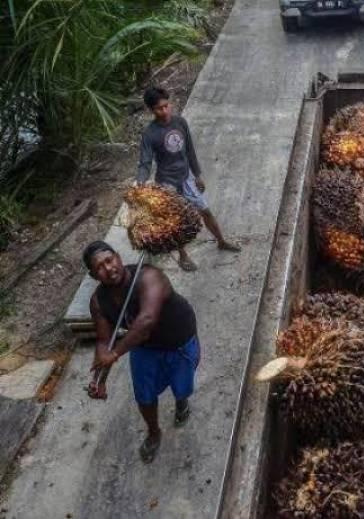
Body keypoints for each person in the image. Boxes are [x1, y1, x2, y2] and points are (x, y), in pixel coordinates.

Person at [85, 240, 200, 463]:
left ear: (118, 256)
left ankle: (181, 402)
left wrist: (115, 353)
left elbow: (146, 321)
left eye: (109, 260)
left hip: (177, 338)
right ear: (93, 275)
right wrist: (100, 378)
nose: (108, 268)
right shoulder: (98, 301)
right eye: (100, 267)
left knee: (182, 385)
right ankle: (154, 432)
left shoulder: (149, 277)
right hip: (144, 347)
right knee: (144, 394)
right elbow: (103, 340)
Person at [136, 86, 240, 271]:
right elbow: (145, 162)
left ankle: (221, 241)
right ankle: (183, 255)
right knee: (176, 221)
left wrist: (197, 175)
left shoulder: (180, 123)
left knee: (205, 210)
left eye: (167, 105)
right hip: (167, 182)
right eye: (160, 108)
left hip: (187, 177)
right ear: (152, 110)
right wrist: (141, 182)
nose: (165, 110)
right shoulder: (150, 134)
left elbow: (190, 150)